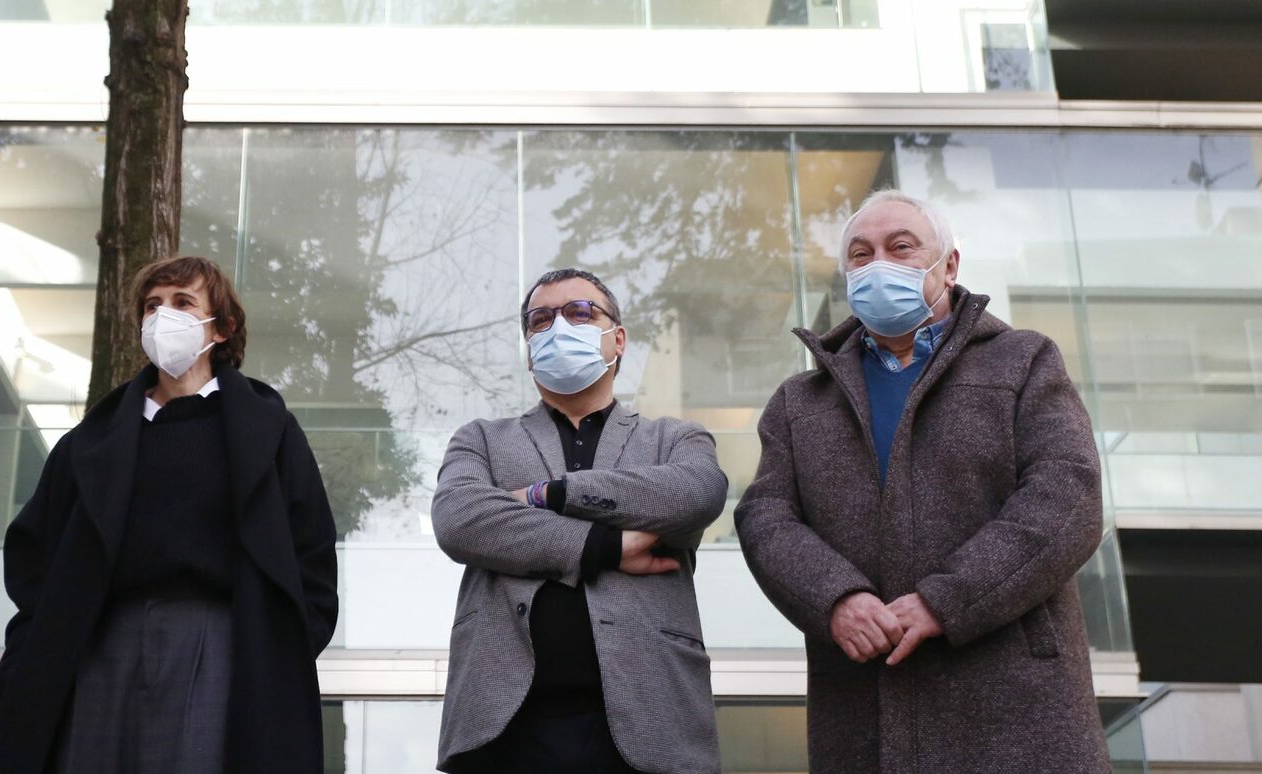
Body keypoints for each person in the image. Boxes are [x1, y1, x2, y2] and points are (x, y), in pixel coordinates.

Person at [735, 190, 1110, 774]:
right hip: (862, 711)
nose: (878, 264)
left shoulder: (1023, 360)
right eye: (861, 254)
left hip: (1018, 708)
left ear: (949, 265)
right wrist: (836, 598)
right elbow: (765, 518)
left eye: (901, 247)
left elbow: (1068, 495)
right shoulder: (799, 401)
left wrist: (949, 598)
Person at [0, 255, 339, 774]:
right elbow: (35, 567)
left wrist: (278, 657)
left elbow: (311, 556)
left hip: (221, 646)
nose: (163, 315)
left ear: (222, 327)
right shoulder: (89, 443)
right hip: (98, 646)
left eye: (183, 302)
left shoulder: (269, 432)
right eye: (152, 305)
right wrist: (20, 671)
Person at [433, 267, 728, 774]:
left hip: (653, 723)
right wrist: (604, 547)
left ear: (618, 339)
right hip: (504, 729)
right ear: (529, 351)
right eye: (540, 320)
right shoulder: (479, 438)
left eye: (579, 312)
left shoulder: (674, 439)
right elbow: (459, 518)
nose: (558, 327)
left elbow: (697, 493)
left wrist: (548, 494)